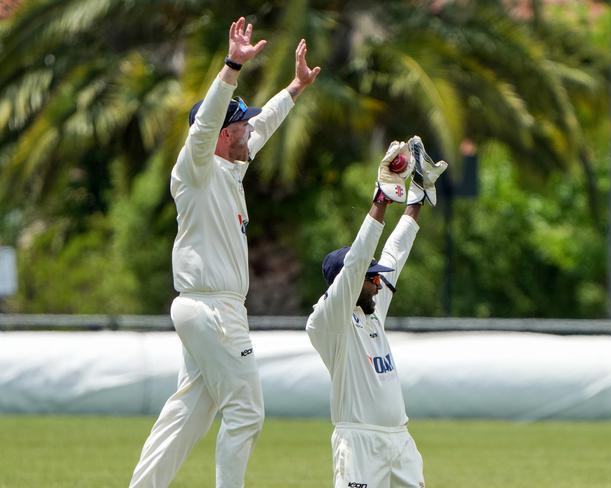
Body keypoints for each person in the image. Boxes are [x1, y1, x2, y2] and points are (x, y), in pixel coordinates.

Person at [129, 17, 320, 488]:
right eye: (238, 126)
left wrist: (295, 87)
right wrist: (232, 64)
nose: (247, 131)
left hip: (212, 309)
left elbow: (264, 124)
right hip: (212, 309)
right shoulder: (194, 170)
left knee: (189, 411)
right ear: (218, 134)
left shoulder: (230, 170)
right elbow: (209, 120)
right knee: (246, 411)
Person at [306, 137, 447, 488]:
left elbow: (395, 255)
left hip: (399, 439)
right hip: (358, 443)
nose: (379, 283)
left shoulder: (372, 309)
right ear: (347, 283)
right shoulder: (328, 321)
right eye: (372, 279)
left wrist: (416, 200)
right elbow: (355, 264)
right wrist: (381, 200)